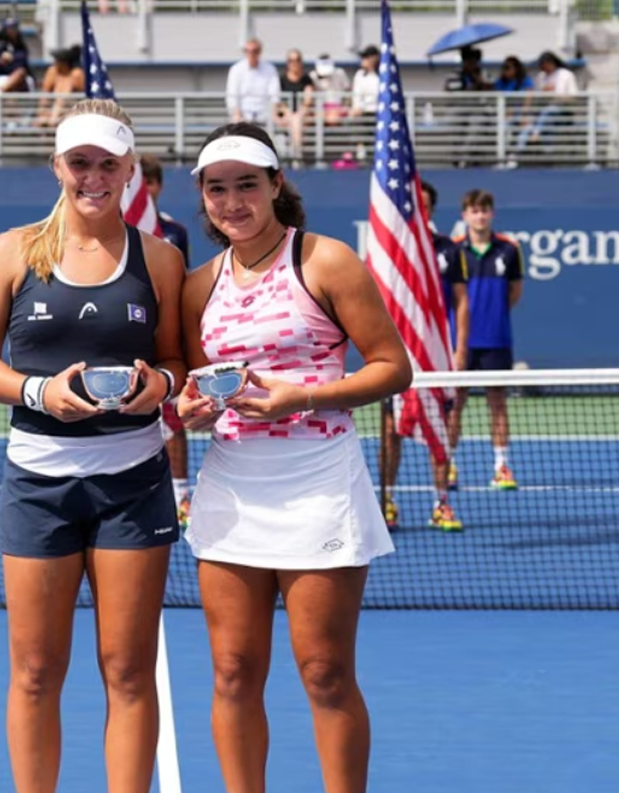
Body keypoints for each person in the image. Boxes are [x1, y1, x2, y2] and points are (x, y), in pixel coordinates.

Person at [0, 99, 186, 793]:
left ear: (129, 170)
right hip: (38, 486)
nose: (93, 176)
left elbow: (179, 362)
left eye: (107, 163)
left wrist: (161, 386)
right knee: (34, 670)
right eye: (79, 162)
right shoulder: (13, 250)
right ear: (58, 166)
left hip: (133, 484)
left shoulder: (163, 259)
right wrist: (38, 393)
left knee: (127, 669)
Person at [176, 124, 411, 792]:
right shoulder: (198, 286)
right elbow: (199, 388)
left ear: (276, 184)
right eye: (216, 188)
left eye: (247, 184)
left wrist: (302, 396)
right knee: (231, 671)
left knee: (325, 672)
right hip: (230, 491)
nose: (232, 201)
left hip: (320, 485)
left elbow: (394, 369)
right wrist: (191, 410)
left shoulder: (327, 261)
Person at [379, 180, 468, 532]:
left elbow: (461, 302)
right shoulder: (392, 250)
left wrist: (459, 348)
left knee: (440, 430)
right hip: (396, 355)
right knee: (391, 431)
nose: (421, 211)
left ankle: (442, 503)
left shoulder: (448, 248)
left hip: (436, 357)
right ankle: (387, 501)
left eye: (425, 206)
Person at [447, 189, 523, 491]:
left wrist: (494, 315)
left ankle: (501, 466)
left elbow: (514, 292)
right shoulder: (454, 250)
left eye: (484, 210)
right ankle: (450, 464)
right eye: (473, 211)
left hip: (497, 341)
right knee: (455, 405)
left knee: (498, 404)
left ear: (491, 214)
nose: (479, 216)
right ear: (465, 215)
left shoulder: (509, 249)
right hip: (461, 344)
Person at [140, 153, 193, 524]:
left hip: (166, 341)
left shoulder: (175, 232)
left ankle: (181, 494)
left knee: (173, 420)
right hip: (130, 339)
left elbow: (182, 284)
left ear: (156, 186)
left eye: (148, 182)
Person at [226, 38, 281, 126]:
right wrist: (237, 113)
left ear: (260, 52)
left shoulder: (270, 69)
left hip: (265, 116)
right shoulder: (236, 69)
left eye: (255, 51)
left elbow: (275, 95)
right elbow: (232, 96)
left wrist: (273, 113)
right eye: (248, 51)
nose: (251, 54)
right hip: (242, 116)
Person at [275, 49, 314, 160]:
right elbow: (278, 101)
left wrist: (297, 114)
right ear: (287, 63)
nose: (294, 63)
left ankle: (296, 155)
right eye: (291, 60)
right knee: (295, 121)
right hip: (285, 115)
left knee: (297, 120)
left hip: (303, 115)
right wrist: (290, 114)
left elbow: (308, 100)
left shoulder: (306, 79)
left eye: (297, 60)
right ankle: (297, 154)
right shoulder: (281, 80)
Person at [34, 45, 86, 127]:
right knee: (42, 120)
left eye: (57, 61)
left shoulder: (76, 74)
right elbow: (45, 95)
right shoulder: (52, 72)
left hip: (71, 110)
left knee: (60, 103)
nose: (55, 63)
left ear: (64, 63)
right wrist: (42, 111)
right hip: (53, 111)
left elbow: (82, 97)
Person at [0, 17, 31, 95]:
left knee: (20, 73)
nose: (12, 31)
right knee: (12, 89)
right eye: (9, 29)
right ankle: (0, 91)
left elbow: (23, 66)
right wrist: (1, 62)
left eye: (14, 28)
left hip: (18, 80)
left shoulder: (21, 48)